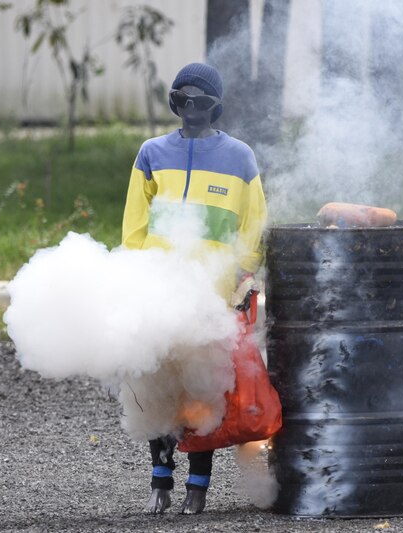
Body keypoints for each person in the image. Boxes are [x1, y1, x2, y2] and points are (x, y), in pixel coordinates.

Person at [121, 62, 267, 514]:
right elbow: (134, 226)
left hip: (212, 296)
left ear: (215, 106)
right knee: (159, 392)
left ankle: (197, 489)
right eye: (183, 99)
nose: (192, 109)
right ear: (174, 103)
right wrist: (135, 273)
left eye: (201, 101)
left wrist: (243, 273)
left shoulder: (240, 157)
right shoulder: (151, 153)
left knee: (203, 392)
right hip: (161, 293)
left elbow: (254, 224)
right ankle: (160, 482)